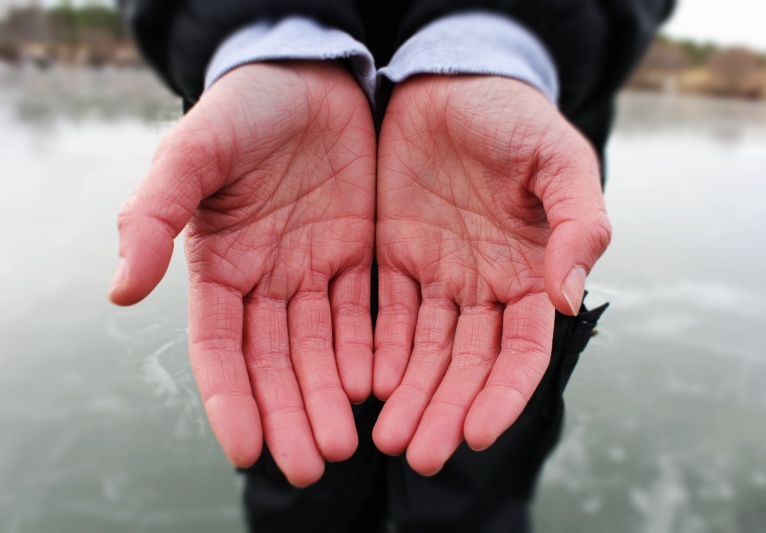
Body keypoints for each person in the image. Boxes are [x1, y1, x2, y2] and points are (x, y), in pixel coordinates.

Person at [110, 1, 674, 531]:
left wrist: (502, 42)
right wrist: (265, 32)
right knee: (299, 478)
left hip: (494, 222)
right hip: (277, 215)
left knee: (469, 476)